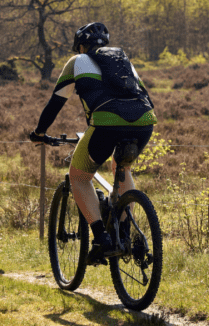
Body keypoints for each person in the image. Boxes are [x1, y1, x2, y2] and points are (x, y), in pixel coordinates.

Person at [30, 22, 156, 265]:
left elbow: (55, 103)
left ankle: (101, 238)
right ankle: (125, 230)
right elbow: (145, 96)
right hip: (144, 121)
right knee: (122, 167)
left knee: (78, 176)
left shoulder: (77, 61)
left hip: (106, 124)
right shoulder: (123, 61)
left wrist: (39, 132)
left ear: (80, 45)